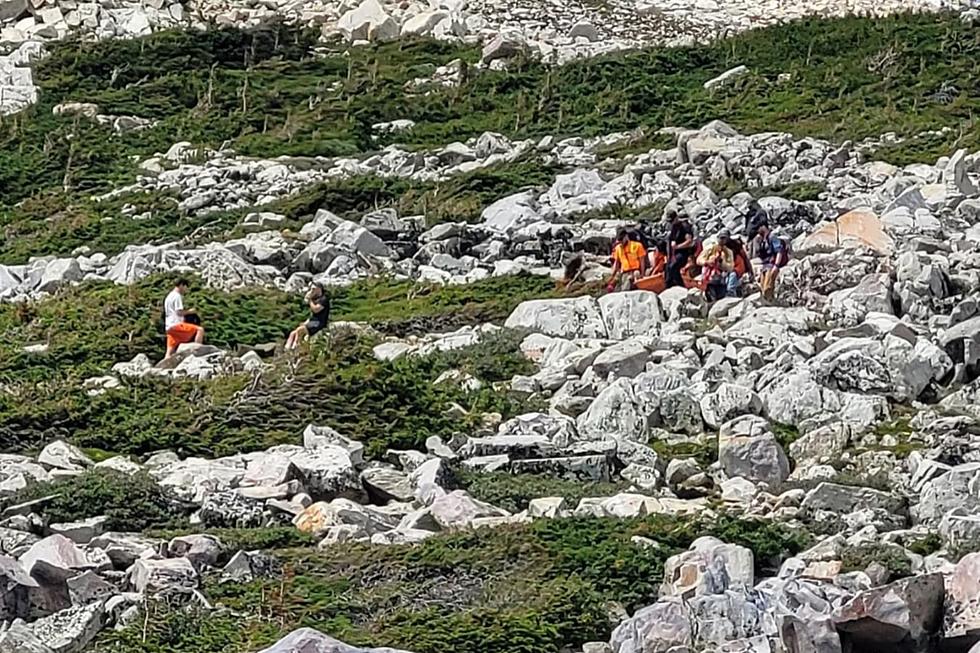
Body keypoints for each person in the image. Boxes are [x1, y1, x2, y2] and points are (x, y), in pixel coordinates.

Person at [163, 278, 204, 360]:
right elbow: (179, 312)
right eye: (186, 287)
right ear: (181, 285)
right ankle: (197, 353)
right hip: (176, 324)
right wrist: (190, 311)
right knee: (200, 329)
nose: (186, 289)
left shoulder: (169, 296)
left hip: (169, 326)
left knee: (169, 352)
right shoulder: (177, 296)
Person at [285, 283, 331, 350]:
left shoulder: (323, 299)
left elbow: (316, 310)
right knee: (293, 333)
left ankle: (295, 346)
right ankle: (287, 347)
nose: (312, 291)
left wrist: (310, 300)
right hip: (313, 321)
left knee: (299, 330)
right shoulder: (315, 299)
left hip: (319, 323)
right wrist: (306, 322)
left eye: (313, 289)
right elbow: (312, 315)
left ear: (319, 289)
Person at [753, 224, 788, 301]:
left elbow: (779, 251)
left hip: (771, 266)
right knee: (762, 288)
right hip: (765, 266)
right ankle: (767, 301)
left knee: (767, 288)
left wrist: (776, 265)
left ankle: (770, 301)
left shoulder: (772, 237)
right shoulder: (762, 240)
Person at [697, 234, 734, 302]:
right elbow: (699, 260)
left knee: (721, 300)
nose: (722, 241)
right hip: (709, 280)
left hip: (721, 279)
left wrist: (722, 263)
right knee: (711, 299)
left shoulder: (728, 252)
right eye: (721, 238)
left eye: (724, 239)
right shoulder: (709, 249)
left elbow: (731, 267)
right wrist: (707, 262)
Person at [717, 230, 753, 298]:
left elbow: (745, 257)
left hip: (738, 267)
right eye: (721, 238)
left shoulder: (736, 245)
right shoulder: (720, 248)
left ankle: (731, 293)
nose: (723, 240)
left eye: (724, 238)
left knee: (732, 277)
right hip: (726, 268)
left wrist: (750, 270)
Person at [666, 212, 696, 289]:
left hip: (685, 252)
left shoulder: (684, 227)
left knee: (674, 266)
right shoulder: (673, 227)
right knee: (667, 267)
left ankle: (679, 285)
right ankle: (669, 284)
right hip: (675, 252)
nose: (671, 222)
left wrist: (678, 247)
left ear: (676, 218)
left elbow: (689, 241)